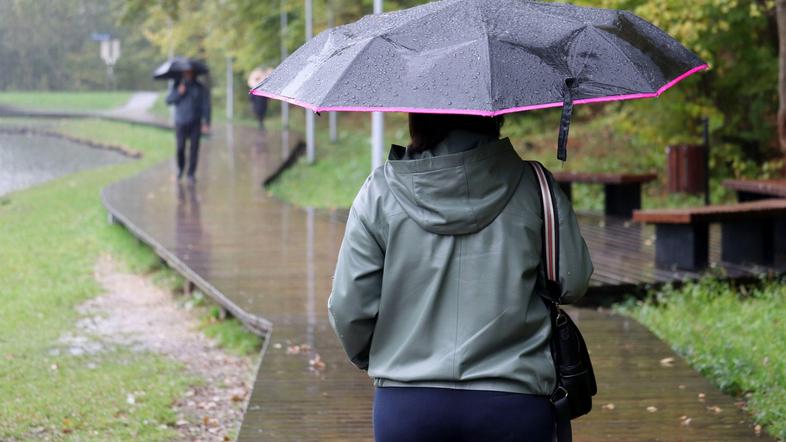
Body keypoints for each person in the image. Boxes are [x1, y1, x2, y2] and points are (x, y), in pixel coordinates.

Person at [328, 113, 593, 442]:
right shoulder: (535, 186)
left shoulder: (378, 192)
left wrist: (379, 359)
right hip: (515, 400)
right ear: (495, 116)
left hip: (407, 405)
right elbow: (573, 282)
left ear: (418, 118)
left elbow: (349, 306)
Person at [166, 69, 211, 182]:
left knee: (194, 149)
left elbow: (206, 104)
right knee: (180, 147)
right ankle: (180, 169)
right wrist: (179, 93)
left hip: (195, 122)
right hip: (180, 122)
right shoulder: (177, 85)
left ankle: (191, 173)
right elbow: (168, 100)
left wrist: (206, 121)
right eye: (185, 72)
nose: (188, 74)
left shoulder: (200, 87)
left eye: (190, 72)